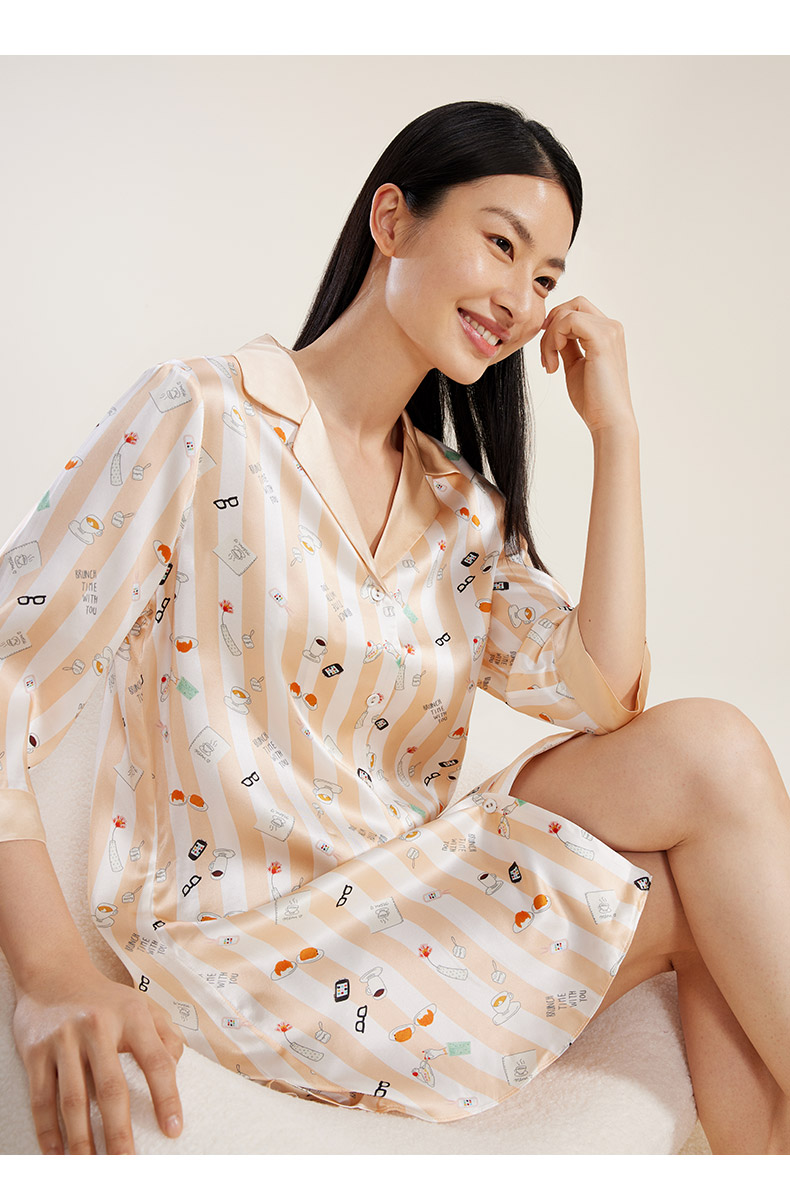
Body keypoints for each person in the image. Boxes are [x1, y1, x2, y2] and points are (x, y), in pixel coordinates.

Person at [0, 98, 787, 1156]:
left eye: (546, 277)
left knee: (711, 750)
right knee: (714, 890)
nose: (519, 298)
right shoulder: (204, 415)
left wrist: (618, 434)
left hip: (405, 906)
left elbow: (603, 694)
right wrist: (49, 973)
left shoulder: (460, 510)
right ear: (392, 219)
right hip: (246, 953)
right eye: (501, 244)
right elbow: (8, 667)